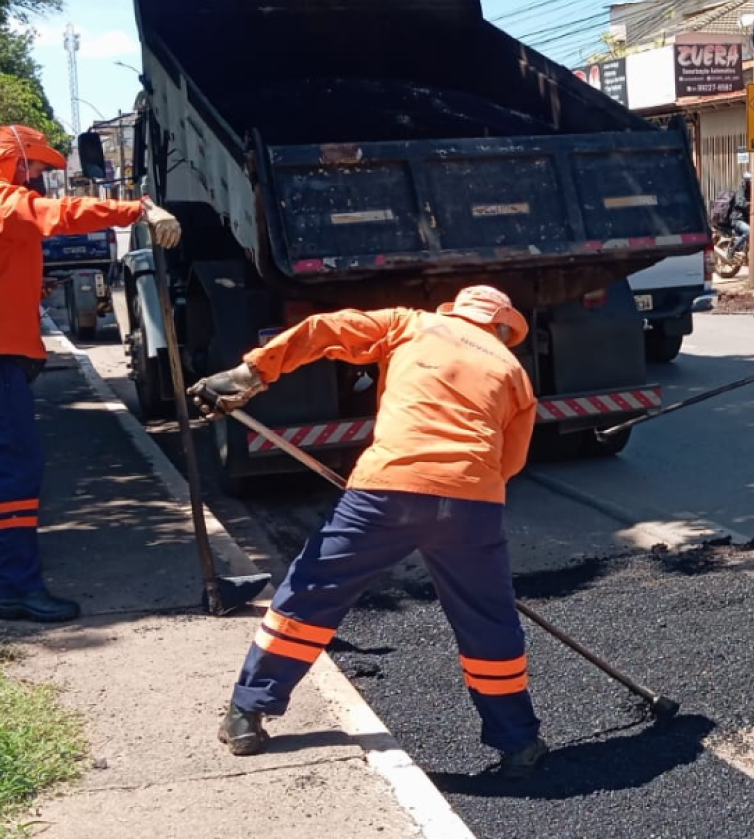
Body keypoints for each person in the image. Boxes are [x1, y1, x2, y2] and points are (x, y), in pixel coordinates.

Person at [188, 285, 547, 779]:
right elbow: (511, 462)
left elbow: (325, 331)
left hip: (387, 491)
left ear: (456, 311)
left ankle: (247, 714)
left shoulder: (412, 323)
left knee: (313, 592)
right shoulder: (513, 371)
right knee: (489, 621)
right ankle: (519, 743)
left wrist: (251, 372)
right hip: (472, 503)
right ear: (504, 328)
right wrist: (458, 494)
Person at [0, 124, 180, 623]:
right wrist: (137, 209)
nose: (38, 178)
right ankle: (14, 586)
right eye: (36, 167)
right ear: (15, 160)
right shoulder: (6, 201)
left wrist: (31, 289)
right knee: (16, 470)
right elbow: (62, 213)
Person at [730, 172, 752, 251]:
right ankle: (732, 249)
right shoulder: (741, 191)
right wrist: (751, 204)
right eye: (750, 182)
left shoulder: (751, 193)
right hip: (738, 220)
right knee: (750, 231)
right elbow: (740, 202)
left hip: (746, 220)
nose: (751, 184)